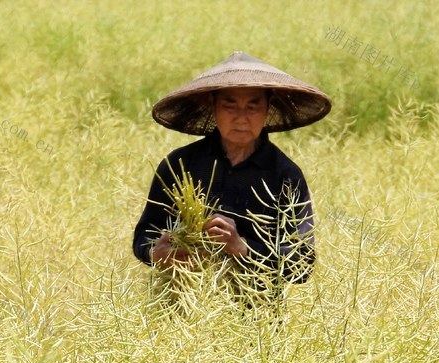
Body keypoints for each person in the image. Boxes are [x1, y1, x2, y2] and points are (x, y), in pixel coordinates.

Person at [132, 51, 332, 307]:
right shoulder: (180, 165)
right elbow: (145, 236)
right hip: (182, 311)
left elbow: (302, 265)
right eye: (230, 105)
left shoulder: (285, 175)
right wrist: (157, 252)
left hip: (256, 323)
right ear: (211, 105)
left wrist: (242, 248)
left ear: (267, 109)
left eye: (253, 106)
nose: (241, 117)